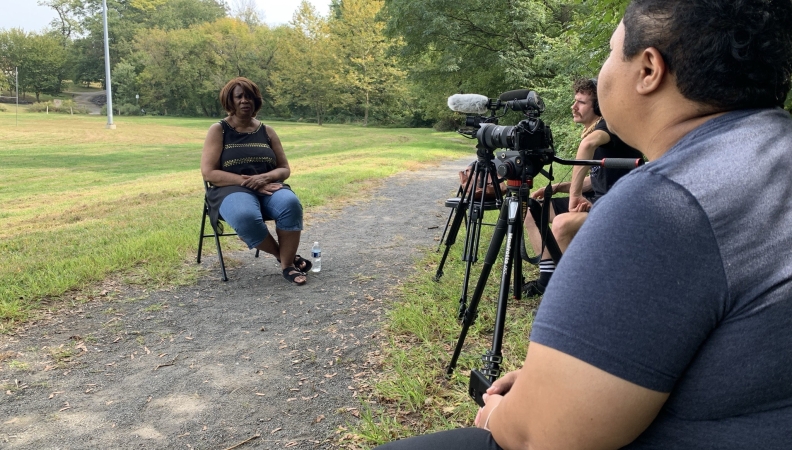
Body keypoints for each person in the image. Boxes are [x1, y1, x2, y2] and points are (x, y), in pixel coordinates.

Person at [376, 0, 792, 448]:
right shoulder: (770, 156)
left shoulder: (667, 204)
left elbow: (542, 437)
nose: (604, 68)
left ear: (649, 69)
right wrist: (560, 378)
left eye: (612, 53)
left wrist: (500, 413)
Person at [522, 78, 641, 296]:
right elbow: (597, 179)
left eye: (581, 102)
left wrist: (575, 196)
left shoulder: (611, 126)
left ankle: (578, 292)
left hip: (621, 208)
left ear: (598, 107)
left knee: (561, 223)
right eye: (574, 101)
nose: (573, 107)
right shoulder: (596, 130)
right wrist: (561, 187)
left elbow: (588, 145)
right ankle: (548, 279)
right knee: (532, 211)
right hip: (599, 201)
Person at [201, 77, 310, 285]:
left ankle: (287, 267)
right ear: (230, 101)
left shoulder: (267, 131)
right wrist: (251, 182)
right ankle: (285, 258)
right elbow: (209, 173)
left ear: (256, 101)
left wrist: (265, 177)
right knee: (245, 215)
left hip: (268, 187)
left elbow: (284, 169)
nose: (245, 101)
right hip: (229, 189)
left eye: (249, 97)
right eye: (239, 96)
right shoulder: (219, 130)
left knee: (290, 203)